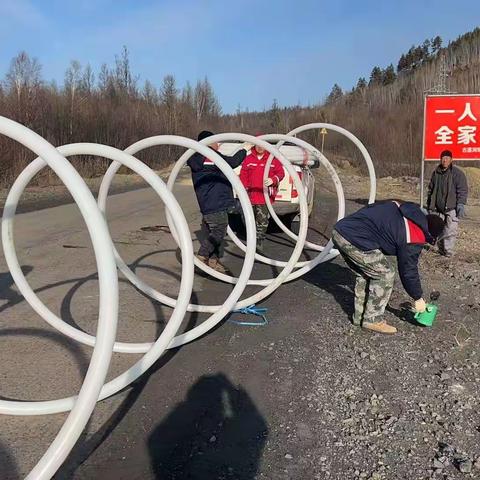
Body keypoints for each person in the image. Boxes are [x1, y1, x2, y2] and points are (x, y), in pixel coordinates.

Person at [332, 201, 444, 334]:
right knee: (385, 274)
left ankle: (360, 317)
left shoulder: (403, 208)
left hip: (342, 229)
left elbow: (371, 208)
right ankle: (372, 320)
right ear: (431, 234)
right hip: (355, 238)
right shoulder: (414, 235)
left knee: (367, 273)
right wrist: (418, 297)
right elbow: (408, 270)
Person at [187, 130, 250, 273]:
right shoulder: (209, 157)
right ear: (208, 143)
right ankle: (201, 257)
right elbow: (232, 162)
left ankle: (213, 261)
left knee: (214, 231)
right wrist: (244, 150)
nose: (219, 144)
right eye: (216, 142)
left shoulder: (201, 157)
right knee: (219, 229)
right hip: (214, 202)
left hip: (211, 202)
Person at [239, 141, 285, 253]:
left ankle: (258, 241)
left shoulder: (272, 159)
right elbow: (243, 175)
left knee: (262, 221)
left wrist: (273, 179)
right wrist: (242, 188)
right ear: (254, 145)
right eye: (257, 145)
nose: (260, 147)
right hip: (250, 196)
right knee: (247, 219)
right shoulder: (249, 159)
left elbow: (281, 173)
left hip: (264, 197)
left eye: (262, 145)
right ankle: (252, 238)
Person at [426, 150, 468, 257]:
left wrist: (461, 204)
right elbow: (431, 189)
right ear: (440, 159)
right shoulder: (436, 172)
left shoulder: (457, 173)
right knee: (439, 229)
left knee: (450, 230)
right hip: (438, 208)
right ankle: (441, 250)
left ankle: (449, 251)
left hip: (451, 208)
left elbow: (462, 190)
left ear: (451, 160)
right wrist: (429, 204)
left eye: (447, 158)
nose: (445, 160)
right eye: (443, 158)